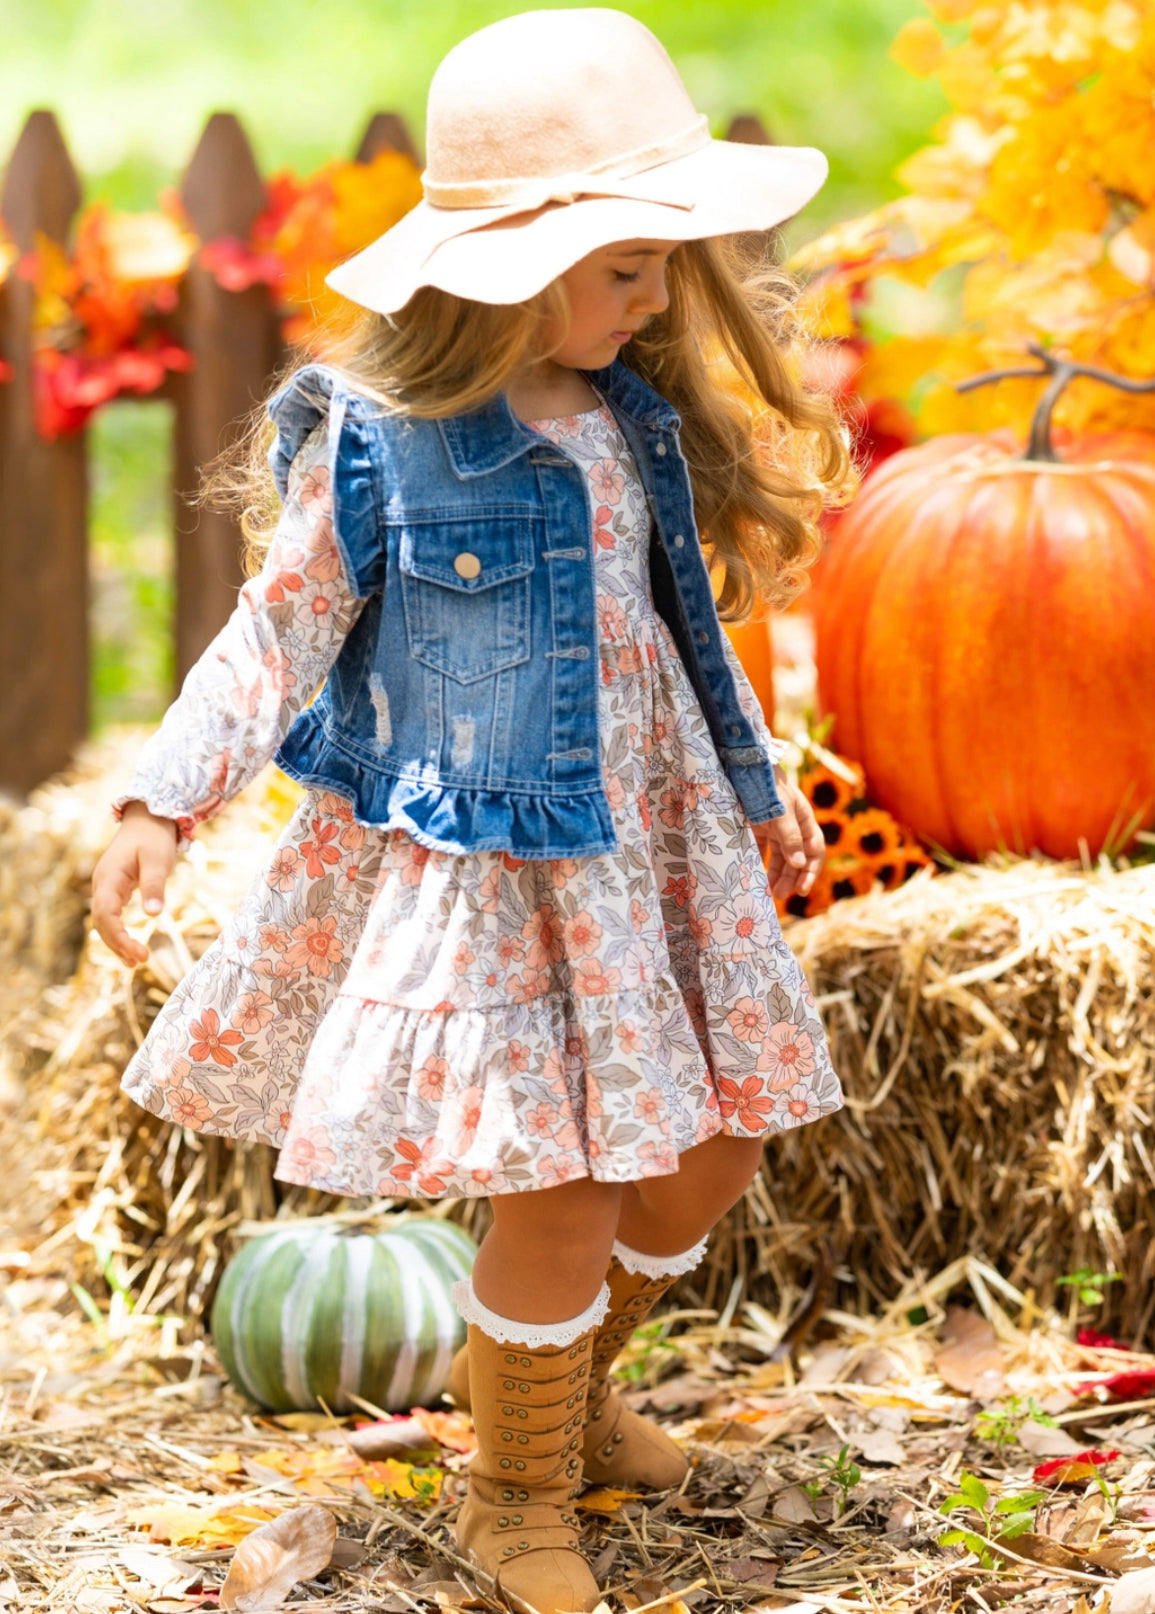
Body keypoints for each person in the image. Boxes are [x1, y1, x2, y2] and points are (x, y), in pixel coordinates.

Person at [92, 11, 852, 1612]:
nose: (657, 301)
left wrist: (751, 783)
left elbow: (685, 633)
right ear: (510, 263)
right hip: (507, 867)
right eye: (626, 268)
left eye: (658, 266)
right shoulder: (386, 449)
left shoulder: (629, 418)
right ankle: (509, 1490)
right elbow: (277, 628)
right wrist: (168, 796)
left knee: (714, 1145)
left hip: (651, 850)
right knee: (561, 1187)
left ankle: (566, 1399)